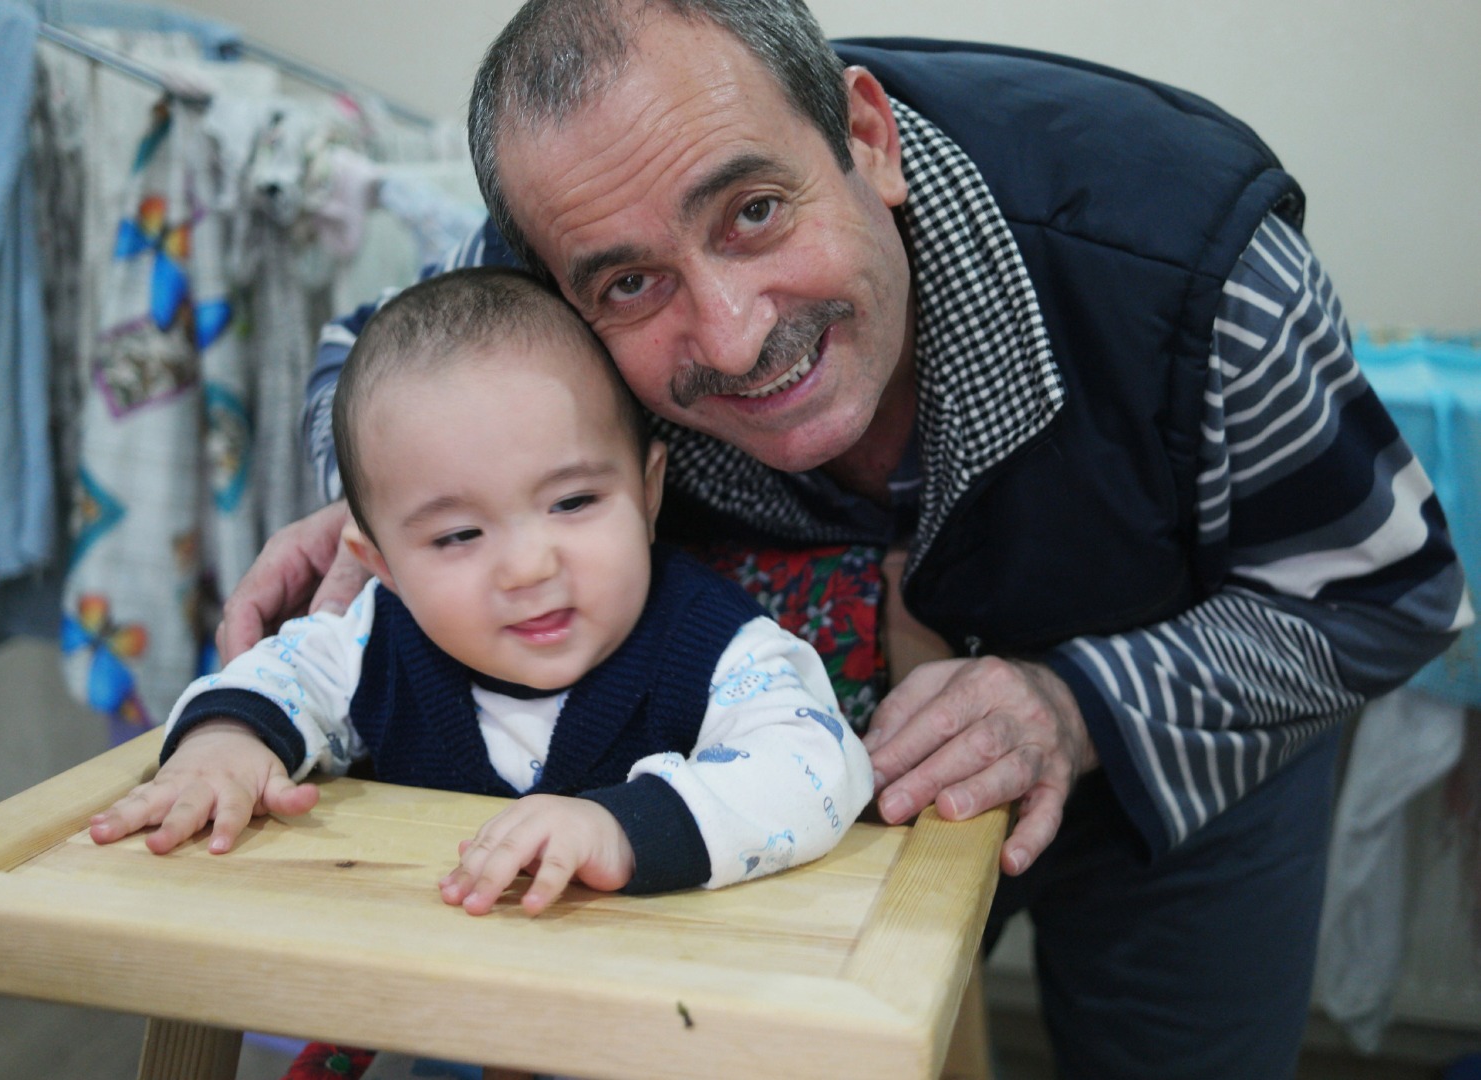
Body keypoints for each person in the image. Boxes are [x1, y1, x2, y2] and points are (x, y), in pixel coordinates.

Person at [218, 2, 1472, 1076]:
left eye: (755, 211)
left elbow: (1387, 590)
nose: (728, 332)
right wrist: (385, 502)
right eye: (630, 287)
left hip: (1177, 731)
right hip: (789, 785)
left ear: (864, 138)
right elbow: (370, 354)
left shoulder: (1194, 258)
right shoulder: (556, 242)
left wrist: (1076, 707)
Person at [90, 266, 874, 916]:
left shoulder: (716, 648)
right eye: (459, 536)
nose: (528, 567)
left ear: (646, 493)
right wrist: (226, 742)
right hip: (446, 1000)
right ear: (382, 564)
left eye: (572, 503)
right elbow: (277, 676)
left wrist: (622, 827)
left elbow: (816, 767)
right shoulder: (373, 636)